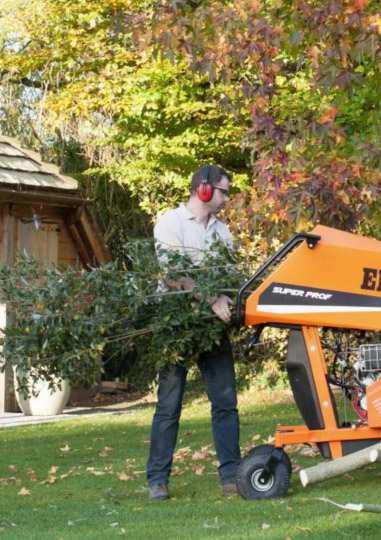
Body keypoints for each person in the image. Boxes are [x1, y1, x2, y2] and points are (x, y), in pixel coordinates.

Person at [146, 165, 241, 500]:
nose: (226, 198)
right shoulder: (170, 223)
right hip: (177, 326)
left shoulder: (223, 232)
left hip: (212, 328)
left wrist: (228, 296)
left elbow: (228, 276)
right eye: (223, 191)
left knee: (226, 402)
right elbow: (175, 277)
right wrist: (212, 297)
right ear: (203, 189)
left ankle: (232, 476)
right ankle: (158, 480)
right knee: (169, 405)